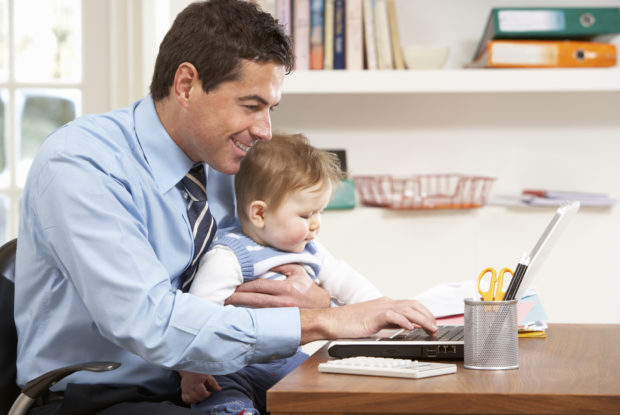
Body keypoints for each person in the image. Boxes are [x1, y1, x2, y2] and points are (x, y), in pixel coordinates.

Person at [14, 1, 437, 414]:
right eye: (251, 106)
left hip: (216, 381)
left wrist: (321, 302)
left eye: (270, 109)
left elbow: (272, 265)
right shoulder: (82, 164)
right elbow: (150, 323)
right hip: (103, 395)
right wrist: (322, 321)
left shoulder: (227, 165)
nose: (265, 131)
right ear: (186, 85)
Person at [180, 133, 383, 414]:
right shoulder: (229, 254)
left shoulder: (312, 252)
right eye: (306, 215)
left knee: (336, 388)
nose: (316, 225)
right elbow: (197, 316)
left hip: (291, 361)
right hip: (234, 366)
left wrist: (383, 314)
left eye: (320, 213)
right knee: (223, 398)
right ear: (260, 214)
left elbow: (352, 286)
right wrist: (191, 372)